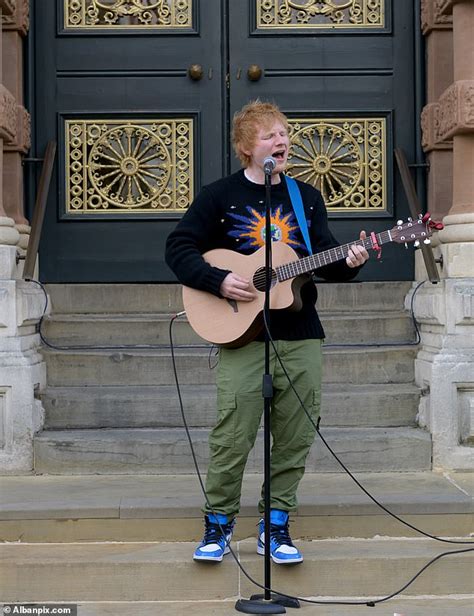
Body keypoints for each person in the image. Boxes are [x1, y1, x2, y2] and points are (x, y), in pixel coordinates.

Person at [165, 100, 369, 565]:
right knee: (232, 433)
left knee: (296, 431)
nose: (281, 140)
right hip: (241, 334)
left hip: (299, 331)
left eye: (284, 133)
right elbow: (178, 247)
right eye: (268, 135)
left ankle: (275, 525)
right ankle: (217, 523)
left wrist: (352, 261)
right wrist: (215, 279)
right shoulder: (218, 196)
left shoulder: (305, 197)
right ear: (245, 147)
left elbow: (326, 261)